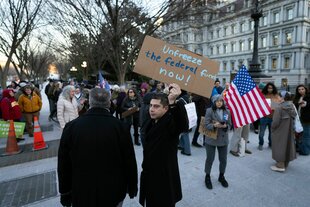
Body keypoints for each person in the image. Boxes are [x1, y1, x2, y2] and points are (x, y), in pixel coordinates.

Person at [57, 88, 138, 207]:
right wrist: (132, 186)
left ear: (89, 102)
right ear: (109, 102)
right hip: (112, 191)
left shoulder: (71, 127)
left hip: (82, 191)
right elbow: (129, 160)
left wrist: (64, 192)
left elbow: (63, 164)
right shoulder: (120, 127)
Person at [139, 83, 189, 207]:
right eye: (150, 105)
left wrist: (172, 101)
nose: (151, 109)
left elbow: (181, 125)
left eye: (156, 106)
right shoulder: (149, 122)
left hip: (164, 180)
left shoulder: (170, 124)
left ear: (165, 109)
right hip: (149, 177)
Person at [204, 94, 231, 190]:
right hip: (211, 139)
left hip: (223, 139)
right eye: (217, 101)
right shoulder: (209, 111)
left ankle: (221, 176)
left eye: (221, 101)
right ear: (214, 102)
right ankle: (207, 176)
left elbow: (230, 125)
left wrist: (225, 126)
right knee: (210, 159)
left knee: (223, 159)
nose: (219, 103)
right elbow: (206, 124)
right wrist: (214, 125)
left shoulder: (227, 111)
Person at [271, 91, 296, 172]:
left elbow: (275, 122)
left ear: (282, 97)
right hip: (289, 131)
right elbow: (295, 115)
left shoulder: (279, 107)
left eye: (278, 96)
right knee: (288, 145)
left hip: (280, 131)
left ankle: (280, 165)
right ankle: (286, 163)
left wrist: (272, 128)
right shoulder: (291, 105)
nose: (277, 97)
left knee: (279, 146)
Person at [258, 82, 281, 150]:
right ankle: (260, 143)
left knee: (272, 133)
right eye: (268, 88)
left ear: (273, 88)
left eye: (271, 88)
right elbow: (259, 105)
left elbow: (278, 106)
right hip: (264, 117)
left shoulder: (276, 95)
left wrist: (274, 106)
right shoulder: (263, 95)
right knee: (262, 132)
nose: (269, 89)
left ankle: (271, 144)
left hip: (273, 117)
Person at [293, 84, 310, 155]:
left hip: (306, 119)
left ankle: (305, 151)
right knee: (298, 134)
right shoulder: (297, 97)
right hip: (297, 119)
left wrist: (306, 104)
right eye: (299, 89)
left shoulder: (308, 97)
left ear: (305, 89)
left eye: (302, 89)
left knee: (306, 135)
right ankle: (299, 148)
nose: (301, 91)